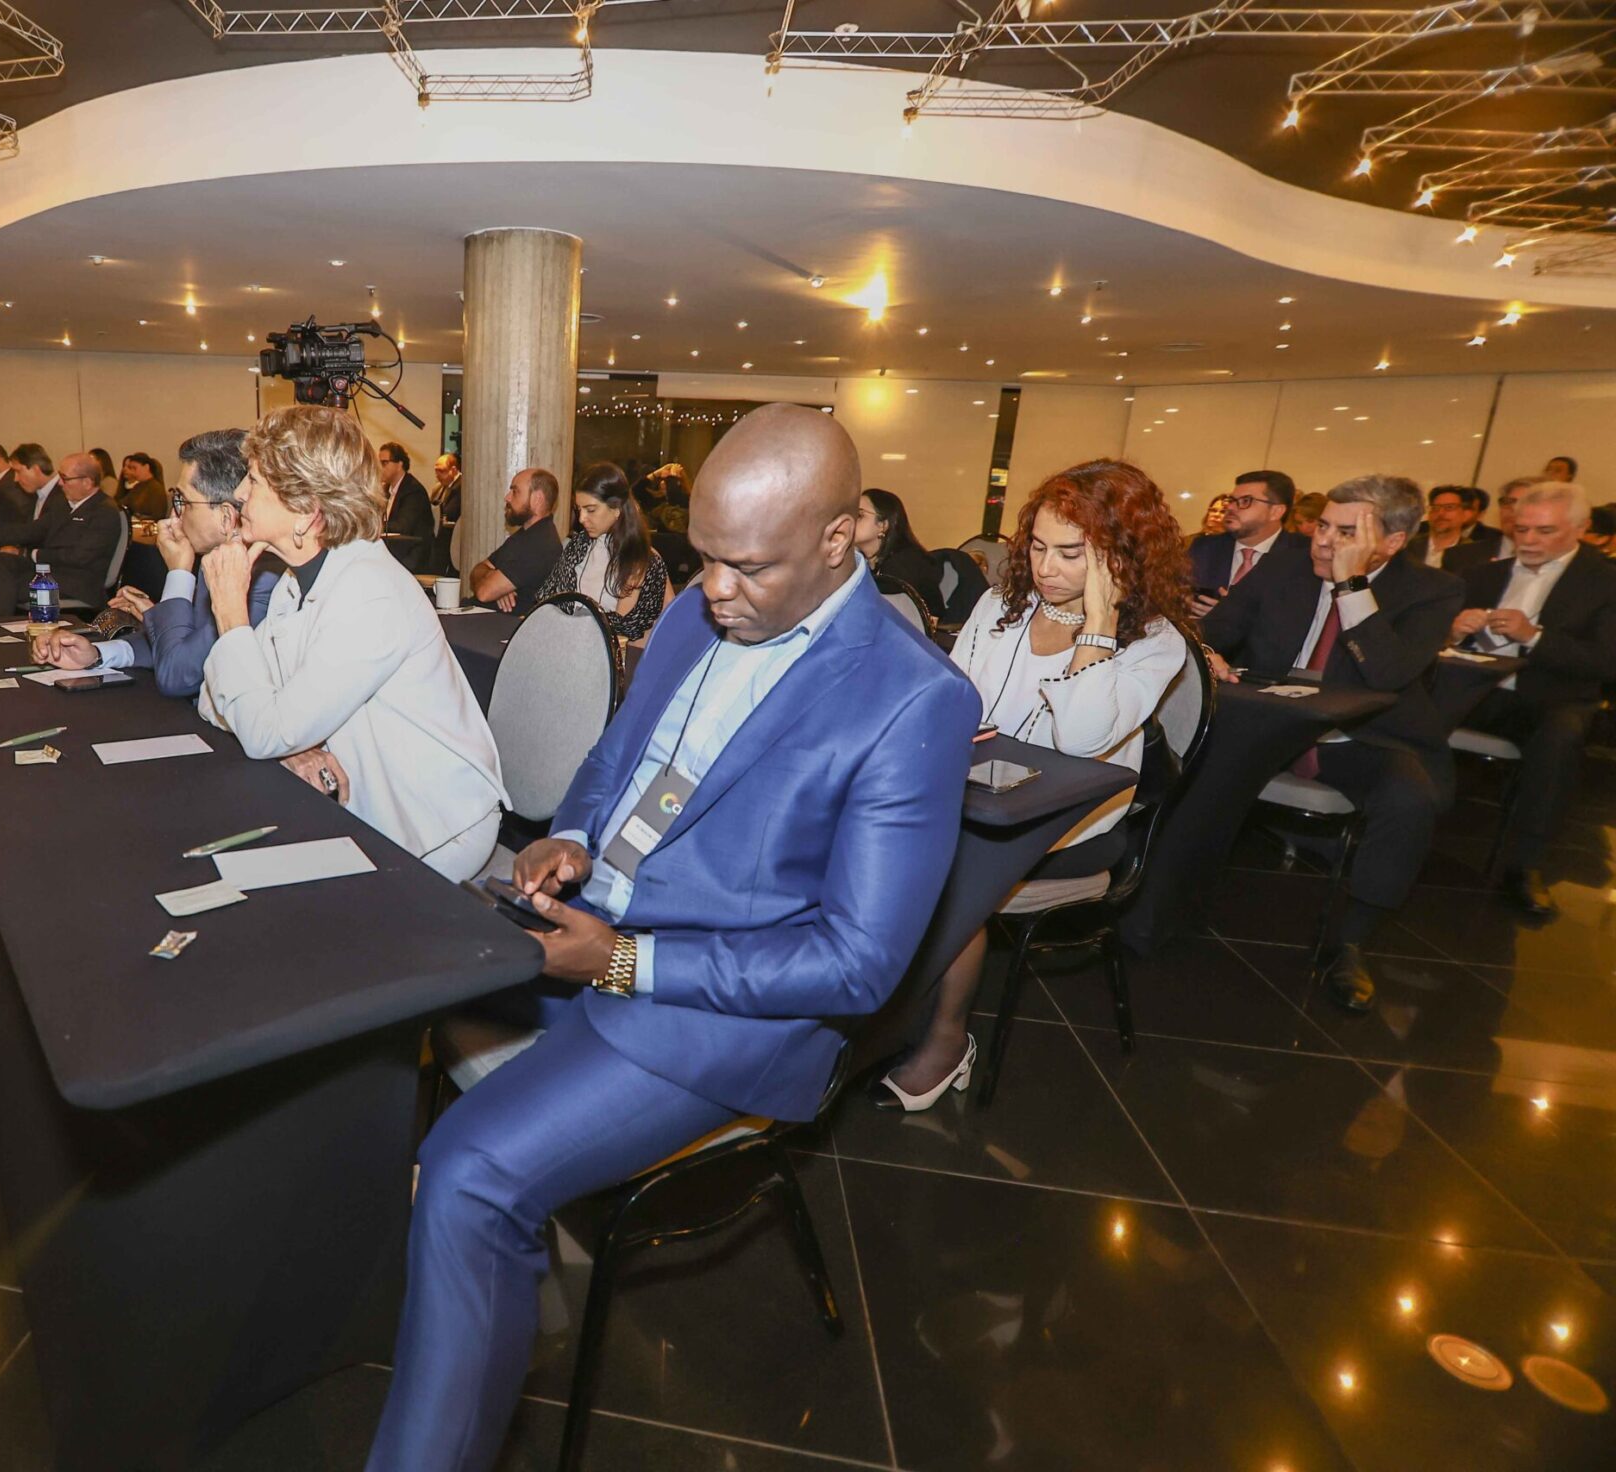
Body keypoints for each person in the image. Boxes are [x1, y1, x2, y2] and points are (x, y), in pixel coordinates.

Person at [363, 405, 976, 1472]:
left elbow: (858, 964)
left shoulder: (914, 698)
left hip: (717, 1006)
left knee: (467, 1171)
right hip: (596, 921)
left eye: (749, 566)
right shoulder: (700, 610)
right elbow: (622, 756)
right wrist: (571, 831)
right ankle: (444, 1292)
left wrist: (622, 960)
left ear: (840, 539)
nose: (715, 589)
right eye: (704, 558)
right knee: (373, 987)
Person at [875, 460, 1191, 1108]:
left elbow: (1080, 740)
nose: (1046, 568)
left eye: (1072, 554)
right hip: (976, 798)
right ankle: (873, 1016)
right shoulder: (1002, 605)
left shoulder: (1155, 641)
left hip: (1075, 825)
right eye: (1039, 547)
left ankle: (947, 1039)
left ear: (1121, 557)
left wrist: (1098, 624)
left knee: (940, 871)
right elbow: (954, 700)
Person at [197, 405, 507, 882]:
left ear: (306, 510)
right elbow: (213, 700)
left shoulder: (370, 592)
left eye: (254, 480)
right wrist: (291, 744)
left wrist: (231, 615)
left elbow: (259, 725)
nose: (239, 493)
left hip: (430, 826)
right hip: (363, 808)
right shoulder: (294, 583)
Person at [1203, 476, 1465, 1011]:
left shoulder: (1431, 590)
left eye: (1346, 533)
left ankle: (1351, 940)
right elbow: (1216, 631)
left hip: (1361, 735)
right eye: (1322, 525)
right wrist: (1204, 652)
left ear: (1391, 541)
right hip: (1269, 722)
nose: (1323, 542)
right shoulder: (1284, 565)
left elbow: (1388, 674)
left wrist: (1352, 586)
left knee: (1409, 799)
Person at [1450, 479, 1616, 918]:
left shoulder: (1605, 582)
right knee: (1412, 705)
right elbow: (1435, 640)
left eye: (1545, 531)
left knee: (1561, 736)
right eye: (1521, 529)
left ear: (1580, 529)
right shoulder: (1484, 574)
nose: (1528, 540)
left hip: (1553, 698)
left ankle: (1526, 864)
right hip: (1478, 690)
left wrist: (1534, 637)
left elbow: (1606, 662)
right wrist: (1453, 631)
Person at [43, 430, 279, 698]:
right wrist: (98, 653)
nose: (173, 518)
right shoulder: (221, 559)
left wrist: (179, 573)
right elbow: (182, 644)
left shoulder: (258, 579)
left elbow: (176, 673)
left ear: (226, 516)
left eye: (182, 501)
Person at [0, 451, 126, 612]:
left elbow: (79, 557)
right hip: (48, 570)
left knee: (3, 585)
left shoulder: (104, 511)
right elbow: (29, 530)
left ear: (87, 482)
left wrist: (30, 554)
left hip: (77, 583)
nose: (60, 483)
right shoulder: (62, 504)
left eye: (65, 478)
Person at [534, 462, 674, 641]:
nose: (582, 518)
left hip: (614, 653)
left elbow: (627, 631)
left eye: (591, 510)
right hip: (566, 642)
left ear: (616, 509)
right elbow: (547, 600)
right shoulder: (577, 546)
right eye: (579, 509)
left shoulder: (643, 559)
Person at [1188, 470, 1305, 616]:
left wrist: (1232, 617)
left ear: (1276, 512)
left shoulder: (1304, 556)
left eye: (1245, 501)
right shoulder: (1204, 548)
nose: (1230, 508)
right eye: (1231, 500)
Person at [468, 468, 564, 613]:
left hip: (502, 623)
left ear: (537, 499)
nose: (507, 497)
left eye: (515, 491)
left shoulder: (541, 544)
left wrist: (494, 584)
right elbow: (478, 569)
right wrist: (497, 584)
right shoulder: (525, 534)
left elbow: (484, 593)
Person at [852, 487, 946, 616]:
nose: (850, 521)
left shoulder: (905, 562)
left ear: (882, 525)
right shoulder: (861, 561)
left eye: (859, 515)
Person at [1448, 478, 1531, 576]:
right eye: (1507, 502)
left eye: (1523, 503)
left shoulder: (1547, 561)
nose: (1513, 509)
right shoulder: (1461, 555)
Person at [378, 441, 435, 570]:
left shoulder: (413, 490)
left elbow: (402, 526)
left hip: (412, 554)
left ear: (399, 464)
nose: (380, 468)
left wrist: (375, 526)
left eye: (384, 463)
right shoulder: (386, 490)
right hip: (394, 549)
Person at [1406, 485, 1478, 568]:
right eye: (1435, 508)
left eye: (1449, 507)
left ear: (1466, 514)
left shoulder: (1472, 553)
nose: (1440, 513)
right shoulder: (1408, 545)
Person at [4, 443, 60, 523]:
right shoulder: (34, 497)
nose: (16, 479)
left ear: (35, 469)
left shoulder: (64, 495)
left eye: (18, 472)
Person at [429, 451, 462, 573]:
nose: (437, 475)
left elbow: (452, 511)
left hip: (453, 538)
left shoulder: (462, 486)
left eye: (441, 471)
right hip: (438, 537)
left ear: (453, 470)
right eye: (436, 471)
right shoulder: (438, 488)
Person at [118, 452, 169, 520]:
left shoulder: (156, 488)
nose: (133, 472)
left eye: (135, 468)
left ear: (146, 467)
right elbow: (123, 503)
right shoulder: (138, 486)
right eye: (131, 469)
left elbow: (158, 516)